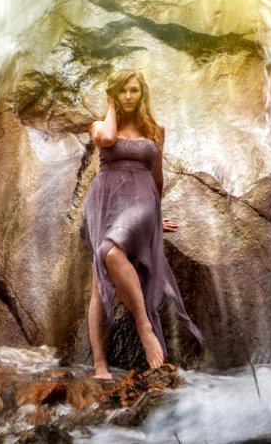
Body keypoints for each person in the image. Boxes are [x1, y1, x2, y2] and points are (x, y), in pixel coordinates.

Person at [80, 68, 204, 379]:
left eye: (133, 90)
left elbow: (157, 176)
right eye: (122, 91)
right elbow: (108, 139)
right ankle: (99, 366)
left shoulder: (156, 129)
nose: (128, 96)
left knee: (110, 252)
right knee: (100, 280)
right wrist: (111, 106)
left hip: (142, 201)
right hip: (104, 203)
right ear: (114, 95)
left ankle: (144, 326)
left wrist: (154, 218)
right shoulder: (100, 126)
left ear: (142, 93)